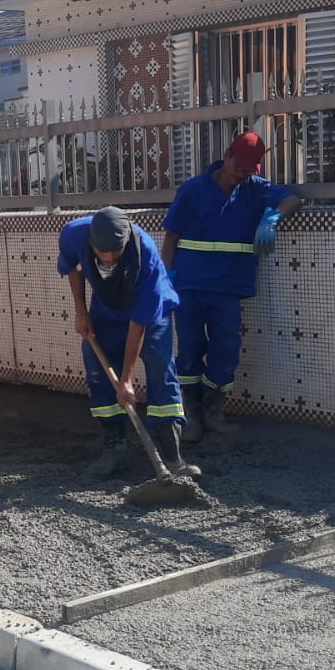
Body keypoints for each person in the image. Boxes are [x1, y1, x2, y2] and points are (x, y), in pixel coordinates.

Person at [163, 132, 304, 441]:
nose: (242, 174)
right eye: (239, 166)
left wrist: (272, 220)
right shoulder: (193, 191)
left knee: (225, 350)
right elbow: (171, 236)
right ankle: (192, 413)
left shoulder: (253, 189)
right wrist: (167, 279)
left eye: (249, 169)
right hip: (189, 286)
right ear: (227, 155)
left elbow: (293, 198)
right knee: (188, 350)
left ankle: (215, 411)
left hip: (227, 288)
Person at [59, 206, 200, 481]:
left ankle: (172, 456)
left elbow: (139, 325)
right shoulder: (74, 234)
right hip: (106, 308)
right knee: (96, 367)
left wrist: (127, 379)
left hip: (149, 313)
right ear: (91, 241)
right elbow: (72, 266)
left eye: (116, 251)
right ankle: (115, 448)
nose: (110, 259)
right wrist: (81, 311)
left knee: (161, 367)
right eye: (102, 252)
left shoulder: (144, 253)